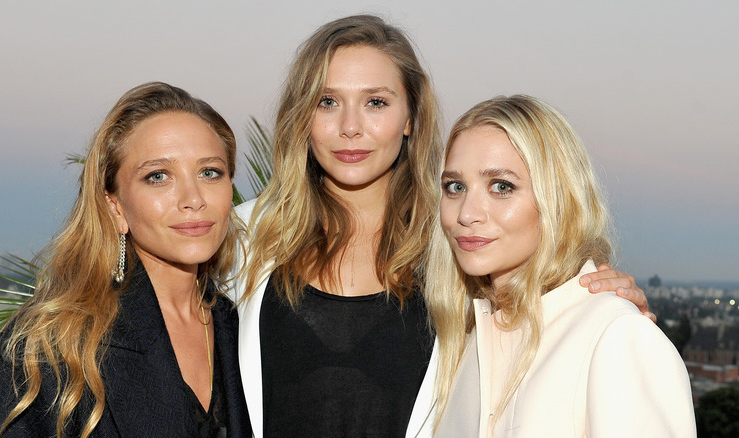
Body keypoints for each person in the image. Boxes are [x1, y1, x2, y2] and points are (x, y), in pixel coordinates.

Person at [233, 15, 651, 438]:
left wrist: (608, 308)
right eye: (327, 102)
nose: (350, 127)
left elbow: (551, 331)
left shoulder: (463, 244)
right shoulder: (242, 239)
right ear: (302, 115)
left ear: (411, 117)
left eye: (376, 102)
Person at [0, 82, 252, 437]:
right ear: (115, 207)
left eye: (210, 172)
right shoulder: (48, 349)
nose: (193, 198)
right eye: (158, 176)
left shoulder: (244, 327)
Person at [427, 95, 695, 437]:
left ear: (557, 200)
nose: (466, 213)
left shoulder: (616, 337)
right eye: (455, 187)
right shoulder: (461, 345)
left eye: (502, 186)